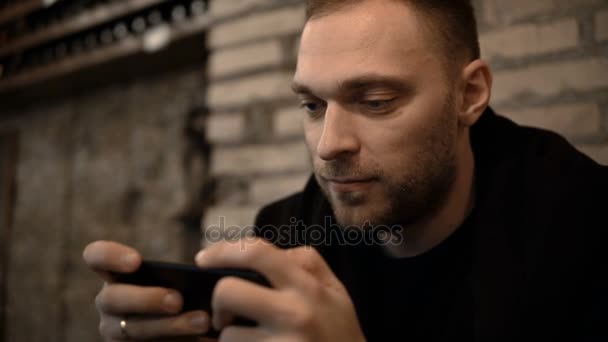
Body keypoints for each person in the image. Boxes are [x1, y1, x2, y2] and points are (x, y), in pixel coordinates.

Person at [83, 0, 608, 341]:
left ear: (468, 96)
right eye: (312, 105)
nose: (330, 146)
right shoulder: (286, 236)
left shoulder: (582, 226)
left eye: (376, 101)